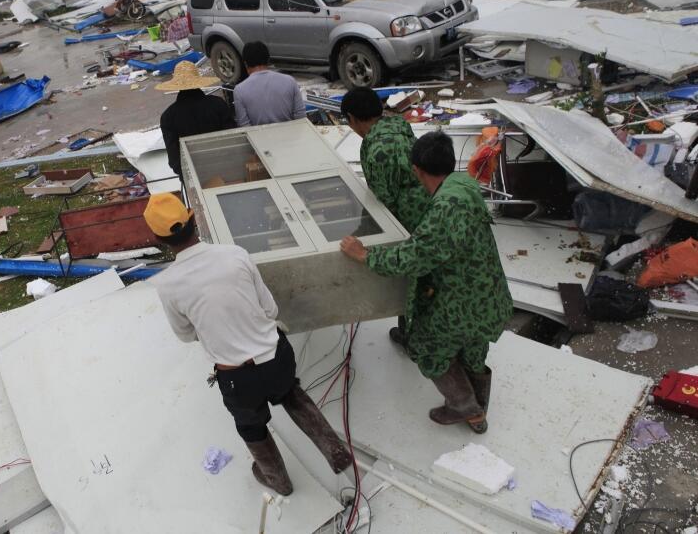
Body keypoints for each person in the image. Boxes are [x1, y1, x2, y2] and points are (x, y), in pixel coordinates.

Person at [144, 193, 352, 495]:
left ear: (157, 239)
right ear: (193, 220)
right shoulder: (235, 254)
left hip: (238, 378)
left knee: (250, 425)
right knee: (291, 392)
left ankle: (278, 480)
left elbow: (185, 334)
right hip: (278, 358)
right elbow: (270, 310)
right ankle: (335, 450)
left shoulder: (167, 284)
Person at [340, 132, 511, 433]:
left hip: (462, 301)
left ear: (416, 169)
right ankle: (478, 410)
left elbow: (414, 257)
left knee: (427, 348)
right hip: (489, 293)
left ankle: (465, 407)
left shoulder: (445, 208)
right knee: (473, 349)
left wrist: (365, 255)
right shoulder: (463, 184)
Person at [340, 89, 429, 346]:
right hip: (426, 204)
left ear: (353, 118)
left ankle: (411, 335)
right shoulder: (396, 125)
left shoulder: (378, 149)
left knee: (413, 274)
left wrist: (361, 235)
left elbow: (384, 203)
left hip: (410, 217)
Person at [157, 61, 235, 178]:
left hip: (193, 177)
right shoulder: (217, 104)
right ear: (198, 81)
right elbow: (233, 138)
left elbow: (175, 161)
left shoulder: (168, 117)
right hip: (227, 171)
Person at [233, 42, 306, 127]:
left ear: (245, 64)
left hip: (259, 139)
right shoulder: (290, 81)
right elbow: (301, 118)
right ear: (268, 60)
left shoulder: (239, 90)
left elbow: (244, 127)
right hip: (290, 137)